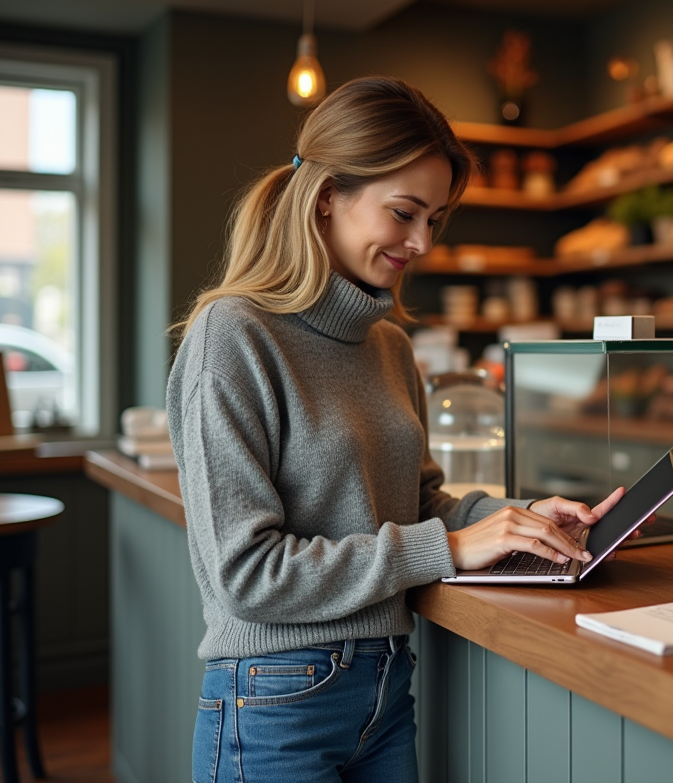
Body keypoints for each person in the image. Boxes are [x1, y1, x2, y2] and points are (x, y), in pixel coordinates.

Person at [167, 76, 624, 783]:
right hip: (273, 702)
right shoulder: (232, 336)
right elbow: (247, 576)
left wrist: (524, 519)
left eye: (435, 219)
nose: (421, 242)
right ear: (326, 196)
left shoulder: (389, 346)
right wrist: (450, 547)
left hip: (385, 692)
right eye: (404, 213)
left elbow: (420, 502)